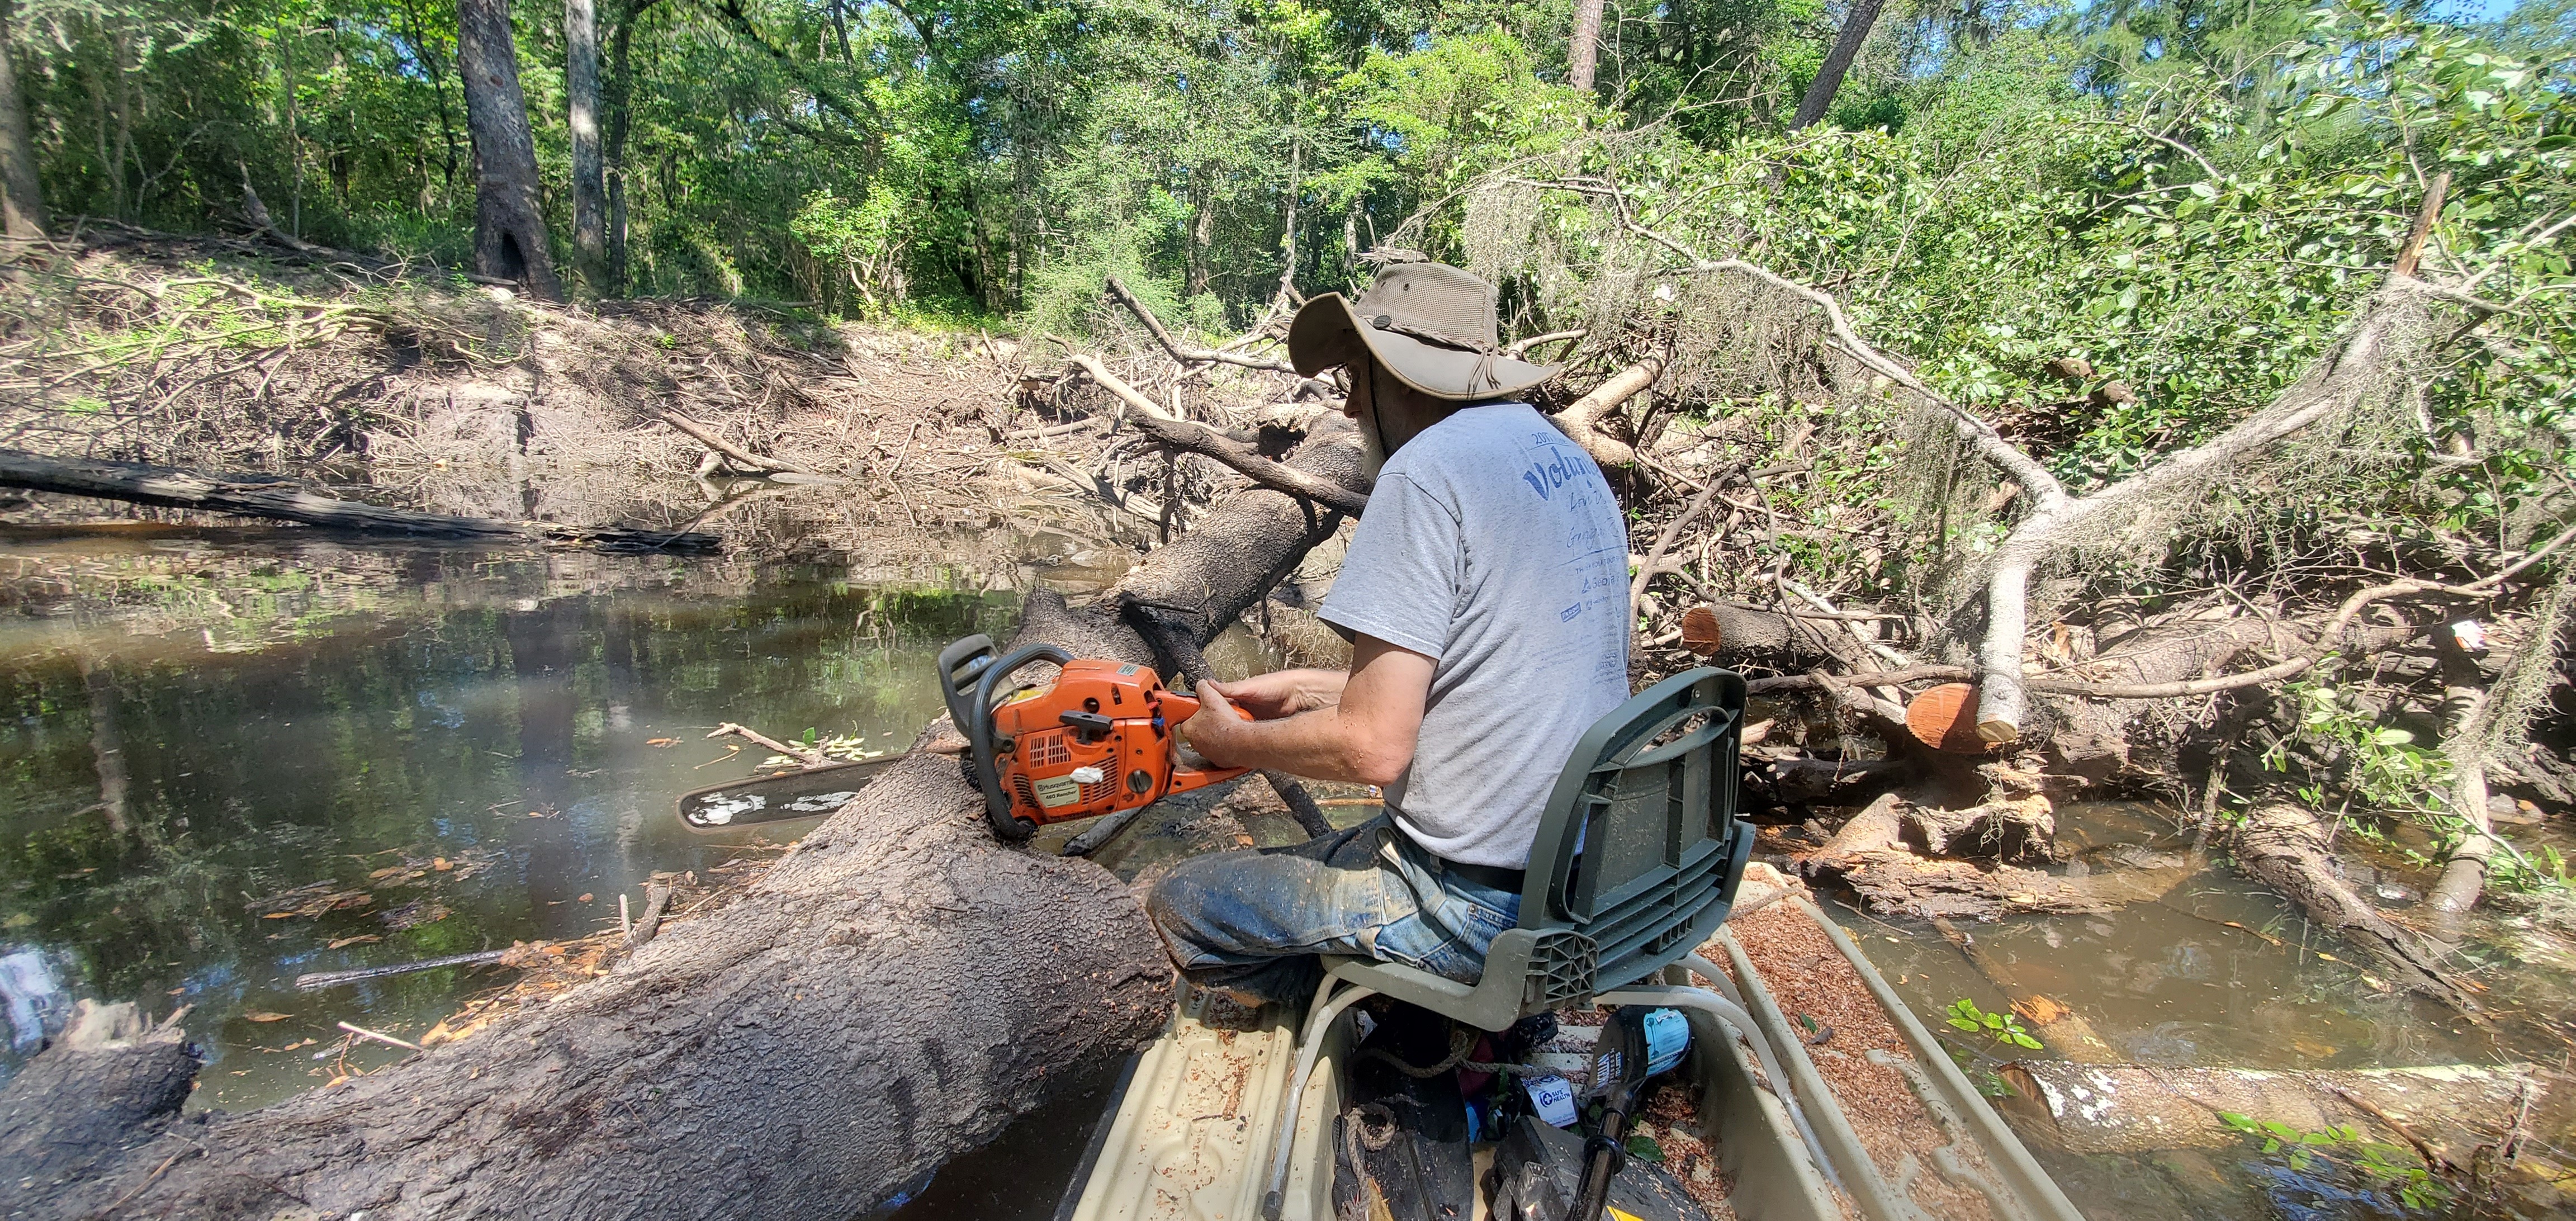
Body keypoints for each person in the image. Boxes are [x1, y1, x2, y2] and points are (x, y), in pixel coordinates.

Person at [1149, 262, 1631, 1006]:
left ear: (1401, 378)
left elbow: (1373, 747)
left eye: (1356, 374)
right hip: (1583, 880)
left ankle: (1407, 1012)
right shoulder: (1564, 457)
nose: (1348, 403)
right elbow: (1490, 672)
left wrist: (1233, 744)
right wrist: (1312, 687)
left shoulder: (1425, 474)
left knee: (1185, 904)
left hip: (1471, 910)